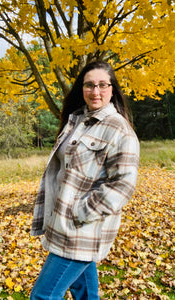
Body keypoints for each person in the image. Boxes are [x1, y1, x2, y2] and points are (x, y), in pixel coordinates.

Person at [30, 61, 140, 300]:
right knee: (85, 293)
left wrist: (79, 213)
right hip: (63, 223)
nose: (95, 91)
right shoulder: (77, 120)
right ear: (82, 88)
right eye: (89, 85)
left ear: (112, 89)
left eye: (102, 85)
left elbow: (123, 184)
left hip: (81, 228)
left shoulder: (118, 129)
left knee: (42, 296)